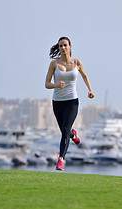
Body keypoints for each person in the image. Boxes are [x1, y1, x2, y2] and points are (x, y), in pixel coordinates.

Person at [45, 36, 94, 171]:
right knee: (65, 131)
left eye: (65, 45)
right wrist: (56, 85)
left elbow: (84, 76)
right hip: (57, 102)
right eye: (60, 46)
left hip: (72, 101)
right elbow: (47, 84)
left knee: (64, 131)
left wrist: (90, 90)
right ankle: (73, 135)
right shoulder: (54, 64)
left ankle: (60, 160)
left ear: (70, 47)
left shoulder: (77, 63)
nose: (63, 48)